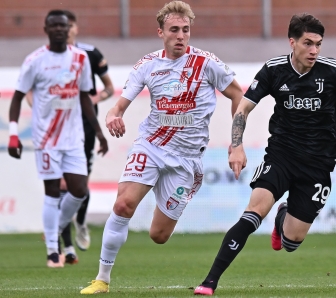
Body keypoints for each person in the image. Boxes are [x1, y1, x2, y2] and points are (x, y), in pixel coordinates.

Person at [193, 13, 336, 295]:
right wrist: (237, 145)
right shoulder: (274, 70)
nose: (314, 50)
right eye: (307, 43)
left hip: (319, 163)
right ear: (292, 42)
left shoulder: (331, 70)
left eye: (318, 43)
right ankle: (209, 281)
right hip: (281, 156)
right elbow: (243, 107)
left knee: (292, 241)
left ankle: (283, 216)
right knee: (252, 214)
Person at [80, 0, 243, 294]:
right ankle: (102, 279)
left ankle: (163, 202)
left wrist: (236, 143)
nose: (181, 36)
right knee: (123, 204)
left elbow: (237, 95)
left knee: (158, 235)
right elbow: (118, 106)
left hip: (186, 159)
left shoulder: (206, 63)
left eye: (186, 30)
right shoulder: (147, 65)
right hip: (151, 146)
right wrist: (113, 116)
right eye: (174, 30)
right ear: (161, 32)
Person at [7, 9, 108, 268]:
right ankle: (53, 249)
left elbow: (85, 96)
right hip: (47, 139)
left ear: (70, 28)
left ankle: (53, 230)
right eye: (54, 26)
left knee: (79, 190)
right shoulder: (35, 60)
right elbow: (17, 97)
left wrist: (98, 132)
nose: (59, 30)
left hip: (74, 137)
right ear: (46, 30)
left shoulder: (80, 59)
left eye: (63, 25)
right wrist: (14, 134)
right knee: (52, 192)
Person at [58, 9, 115, 263]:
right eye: (60, 25)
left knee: (79, 185)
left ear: (75, 28)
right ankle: (62, 245)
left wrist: (93, 99)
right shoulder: (45, 59)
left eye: (69, 25)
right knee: (60, 184)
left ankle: (80, 222)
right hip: (58, 129)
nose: (65, 30)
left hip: (85, 127)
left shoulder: (90, 54)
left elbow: (109, 88)